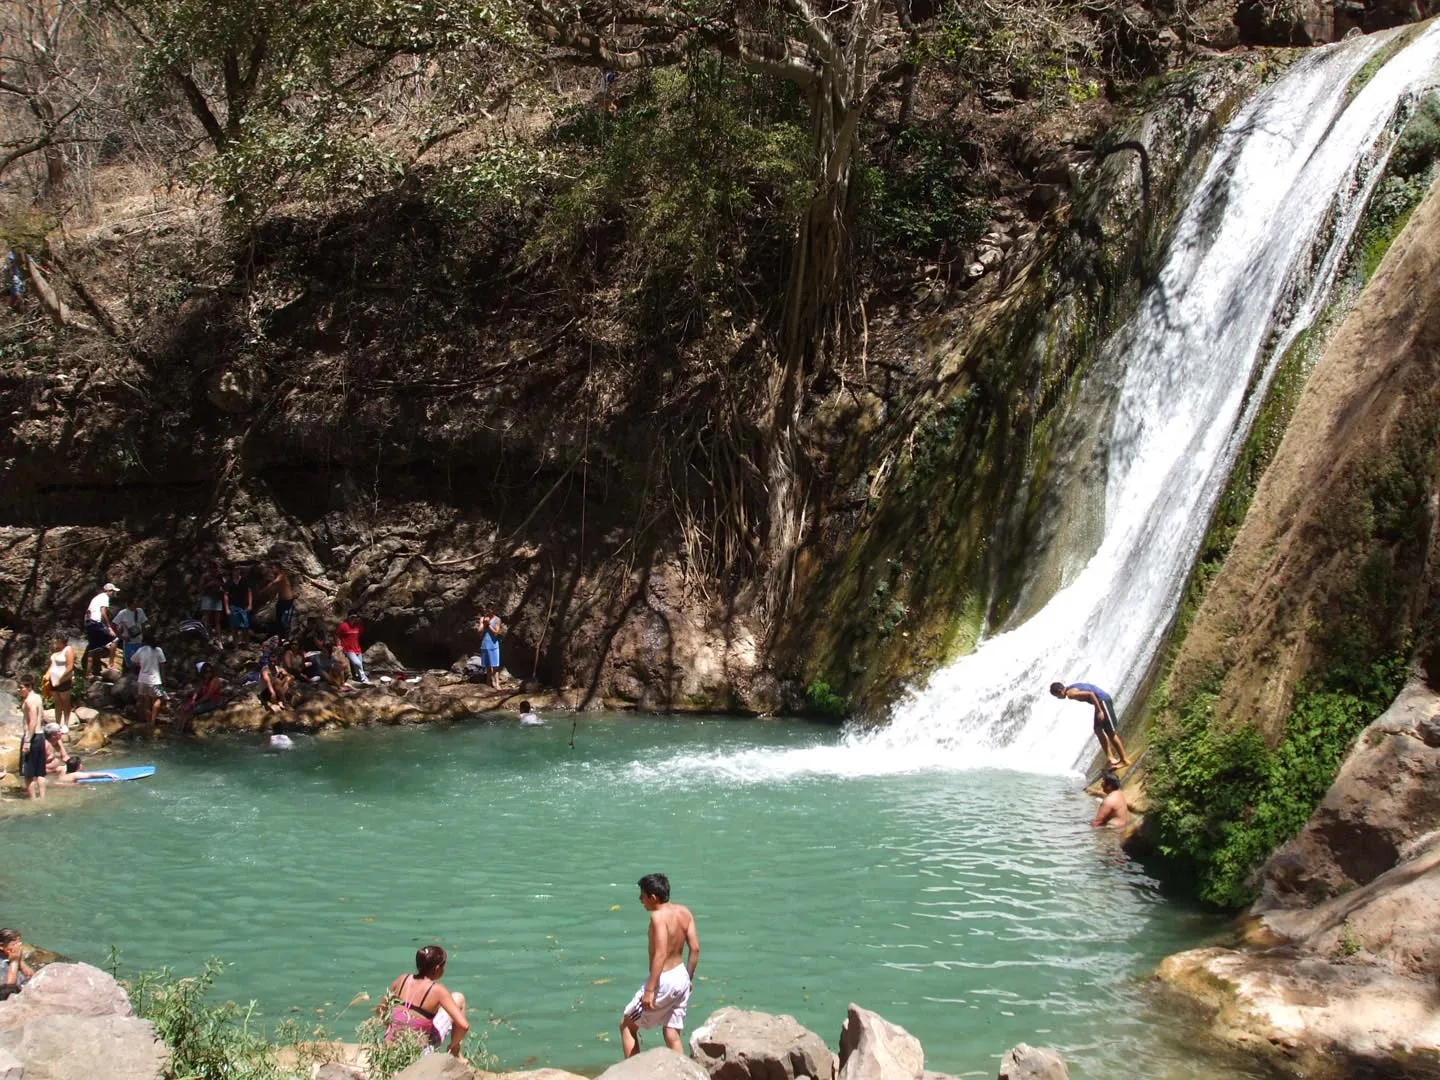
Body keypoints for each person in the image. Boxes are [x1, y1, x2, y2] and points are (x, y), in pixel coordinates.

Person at [620, 872, 699, 1058]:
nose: (641, 900)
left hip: (664, 980)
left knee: (627, 1025)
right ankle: (682, 1071)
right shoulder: (685, 912)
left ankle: (634, 1071)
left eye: (643, 895)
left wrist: (649, 990)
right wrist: (688, 978)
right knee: (671, 1033)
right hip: (681, 977)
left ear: (653, 897)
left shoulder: (658, 917)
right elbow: (695, 949)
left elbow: (660, 954)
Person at [381, 945, 469, 1057]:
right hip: (418, 1053)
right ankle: (455, 1053)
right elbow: (464, 1026)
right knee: (458, 998)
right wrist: (453, 1044)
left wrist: (392, 1027)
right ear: (437, 968)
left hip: (391, 1046)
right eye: (443, 966)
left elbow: (381, 1009)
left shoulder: (402, 979)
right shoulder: (438, 990)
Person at [1050, 681, 1130, 768]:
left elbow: (1091, 694)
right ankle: (1111, 758)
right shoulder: (1071, 687)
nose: (1058, 698)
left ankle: (1124, 760)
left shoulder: (1070, 694)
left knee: (1110, 732)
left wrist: (1100, 711)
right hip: (1100, 702)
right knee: (1098, 730)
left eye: (1056, 696)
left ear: (1060, 691)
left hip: (1103, 702)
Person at [18, 676, 47, 800]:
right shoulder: (38, 697)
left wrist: (27, 741)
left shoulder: (29, 701)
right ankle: (42, 798)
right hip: (40, 736)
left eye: (21, 688)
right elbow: (43, 716)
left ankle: (33, 801)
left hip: (32, 737)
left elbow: (33, 721)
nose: (19, 690)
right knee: (40, 772)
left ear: (29, 687)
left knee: (28, 774)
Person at [131, 629, 166, 731]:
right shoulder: (158, 650)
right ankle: (153, 722)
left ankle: (148, 722)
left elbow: (133, 660)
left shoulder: (141, 650)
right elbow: (162, 665)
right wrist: (163, 678)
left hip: (142, 679)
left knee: (146, 700)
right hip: (156, 680)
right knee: (159, 698)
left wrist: (141, 664)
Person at [82, 582, 119, 676]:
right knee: (115, 639)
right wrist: (109, 627)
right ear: (109, 591)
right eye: (113, 591)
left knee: (93, 648)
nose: (114, 594)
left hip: (88, 623)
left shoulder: (97, 598)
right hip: (95, 623)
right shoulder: (105, 597)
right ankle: (111, 664)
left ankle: (88, 673)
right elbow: (103, 612)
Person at [181, 663, 223, 731]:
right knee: (184, 708)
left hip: (213, 701)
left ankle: (184, 728)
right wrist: (193, 700)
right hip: (204, 700)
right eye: (206, 672)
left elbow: (208, 695)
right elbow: (197, 691)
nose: (208, 674)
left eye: (210, 671)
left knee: (192, 710)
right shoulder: (203, 680)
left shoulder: (215, 680)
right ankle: (180, 728)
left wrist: (196, 703)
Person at [47, 631, 76, 731]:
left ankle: (66, 724)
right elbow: (52, 665)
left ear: (60, 640)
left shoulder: (68, 649)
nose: (54, 641)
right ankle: (57, 724)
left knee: (65, 702)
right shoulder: (56, 650)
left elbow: (70, 666)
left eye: (56, 639)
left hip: (64, 680)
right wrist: (47, 675)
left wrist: (61, 679)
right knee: (57, 702)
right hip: (53, 680)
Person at [260, 564, 296, 637]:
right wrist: (270, 600)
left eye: (273, 568)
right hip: (281, 600)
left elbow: (275, 582)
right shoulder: (276, 577)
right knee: (278, 618)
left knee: (285, 619)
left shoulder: (282, 575)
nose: (272, 570)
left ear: (278, 569)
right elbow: (275, 590)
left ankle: (285, 635)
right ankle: (279, 635)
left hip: (288, 601)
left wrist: (264, 590)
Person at [113, 597, 148, 670]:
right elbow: (113, 624)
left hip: (140, 641)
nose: (138, 603)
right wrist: (121, 637)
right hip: (129, 642)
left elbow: (144, 623)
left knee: (141, 663)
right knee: (130, 663)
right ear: (131, 604)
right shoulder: (123, 613)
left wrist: (145, 636)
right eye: (136, 602)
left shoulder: (140, 611)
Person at [0, 929, 34, 998]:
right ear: (1, 946)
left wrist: (19, 960)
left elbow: (32, 977)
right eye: (14, 944)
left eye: (19, 944)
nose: (18, 947)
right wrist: (14, 962)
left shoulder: (13, 956)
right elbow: (8, 989)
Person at [336, 612, 368, 684]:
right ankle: (364, 679)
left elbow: (358, 635)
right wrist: (339, 645)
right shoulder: (343, 625)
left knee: (360, 664)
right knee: (357, 663)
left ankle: (357, 677)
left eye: (355, 617)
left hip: (357, 648)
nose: (353, 619)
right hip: (348, 649)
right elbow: (336, 635)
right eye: (352, 617)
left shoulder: (358, 626)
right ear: (348, 617)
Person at [198, 562, 226, 640]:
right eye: (212, 568)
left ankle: (219, 639)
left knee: (218, 621)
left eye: (215, 568)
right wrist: (209, 585)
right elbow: (200, 588)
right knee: (208, 620)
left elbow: (225, 585)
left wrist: (218, 583)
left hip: (217, 598)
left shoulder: (219, 576)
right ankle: (209, 638)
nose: (213, 570)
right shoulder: (205, 576)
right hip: (207, 598)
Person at [224, 566, 253, 638]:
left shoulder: (244, 580)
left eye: (238, 570)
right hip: (233, 605)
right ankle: (235, 644)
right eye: (235, 570)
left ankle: (246, 643)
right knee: (234, 626)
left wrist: (250, 604)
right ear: (232, 571)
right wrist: (227, 608)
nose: (236, 571)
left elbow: (249, 592)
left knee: (245, 625)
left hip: (244, 605)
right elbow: (226, 595)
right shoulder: (229, 582)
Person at [479, 610, 505, 690]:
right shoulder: (482, 619)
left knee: (495, 666)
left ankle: (497, 683)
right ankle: (489, 682)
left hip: (494, 645)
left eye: (491, 609)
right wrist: (483, 624)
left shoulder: (497, 619)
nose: (489, 611)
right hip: (485, 645)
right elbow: (479, 632)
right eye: (488, 609)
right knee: (488, 666)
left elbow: (496, 632)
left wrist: (489, 625)